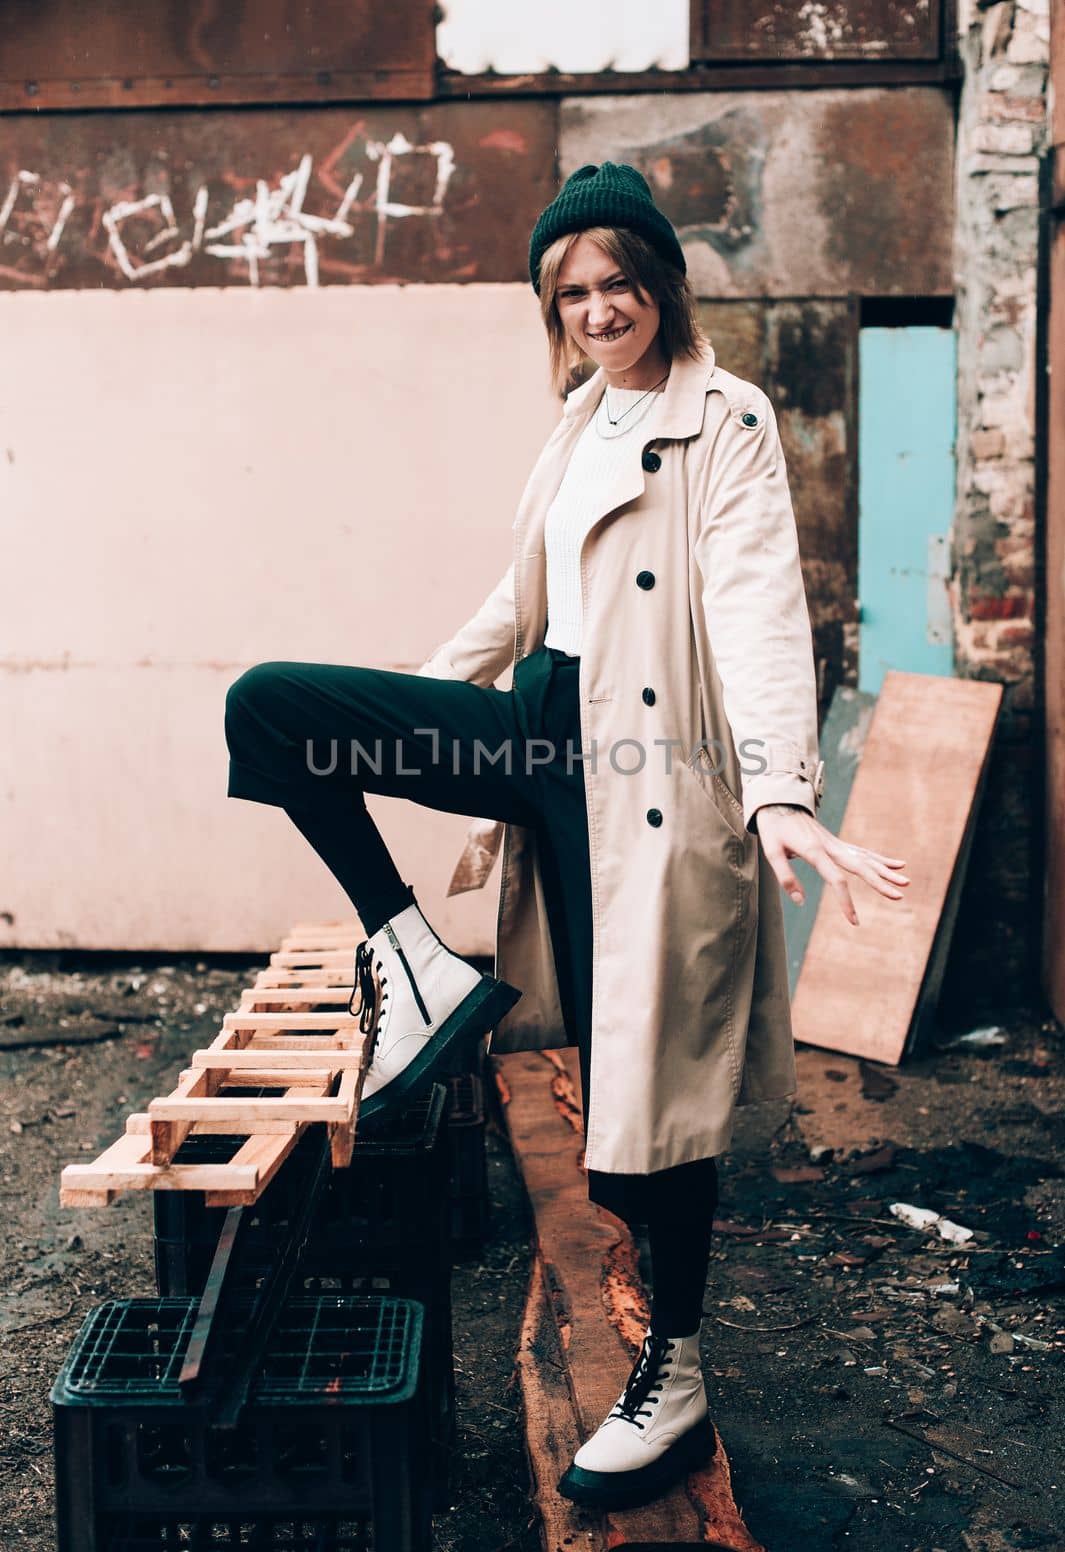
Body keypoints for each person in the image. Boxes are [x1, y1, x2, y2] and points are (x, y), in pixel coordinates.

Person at [224, 162, 909, 1511]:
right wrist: (422, 702)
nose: (598, 310)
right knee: (277, 713)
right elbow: (522, 591)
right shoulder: (580, 418)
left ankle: (677, 1370)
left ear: (662, 281)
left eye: (617, 284)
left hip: (646, 779)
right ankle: (415, 958)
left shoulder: (727, 418)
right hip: (542, 733)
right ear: (553, 307)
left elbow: (760, 600)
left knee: (640, 1108)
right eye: (571, 292)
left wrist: (778, 790)